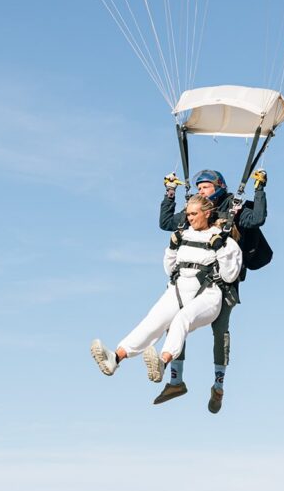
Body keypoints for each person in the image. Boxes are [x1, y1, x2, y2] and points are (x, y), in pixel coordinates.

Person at [91, 194, 243, 387]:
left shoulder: (224, 240)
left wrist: (220, 248)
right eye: (188, 214)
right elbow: (169, 269)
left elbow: (230, 275)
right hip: (178, 290)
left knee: (181, 319)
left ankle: (162, 363)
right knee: (153, 320)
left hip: (207, 296)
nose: (189, 218)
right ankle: (115, 358)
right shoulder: (184, 235)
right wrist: (171, 248)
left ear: (207, 213)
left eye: (194, 214)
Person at [155, 167, 268, 413]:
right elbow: (165, 223)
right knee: (175, 322)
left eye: (205, 187)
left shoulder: (233, 207)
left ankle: (218, 386)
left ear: (218, 187)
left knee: (220, 332)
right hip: (191, 280)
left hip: (223, 283)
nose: (201, 191)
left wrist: (259, 189)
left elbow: (257, 218)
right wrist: (170, 192)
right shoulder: (195, 211)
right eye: (198, 188)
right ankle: (175, 381)